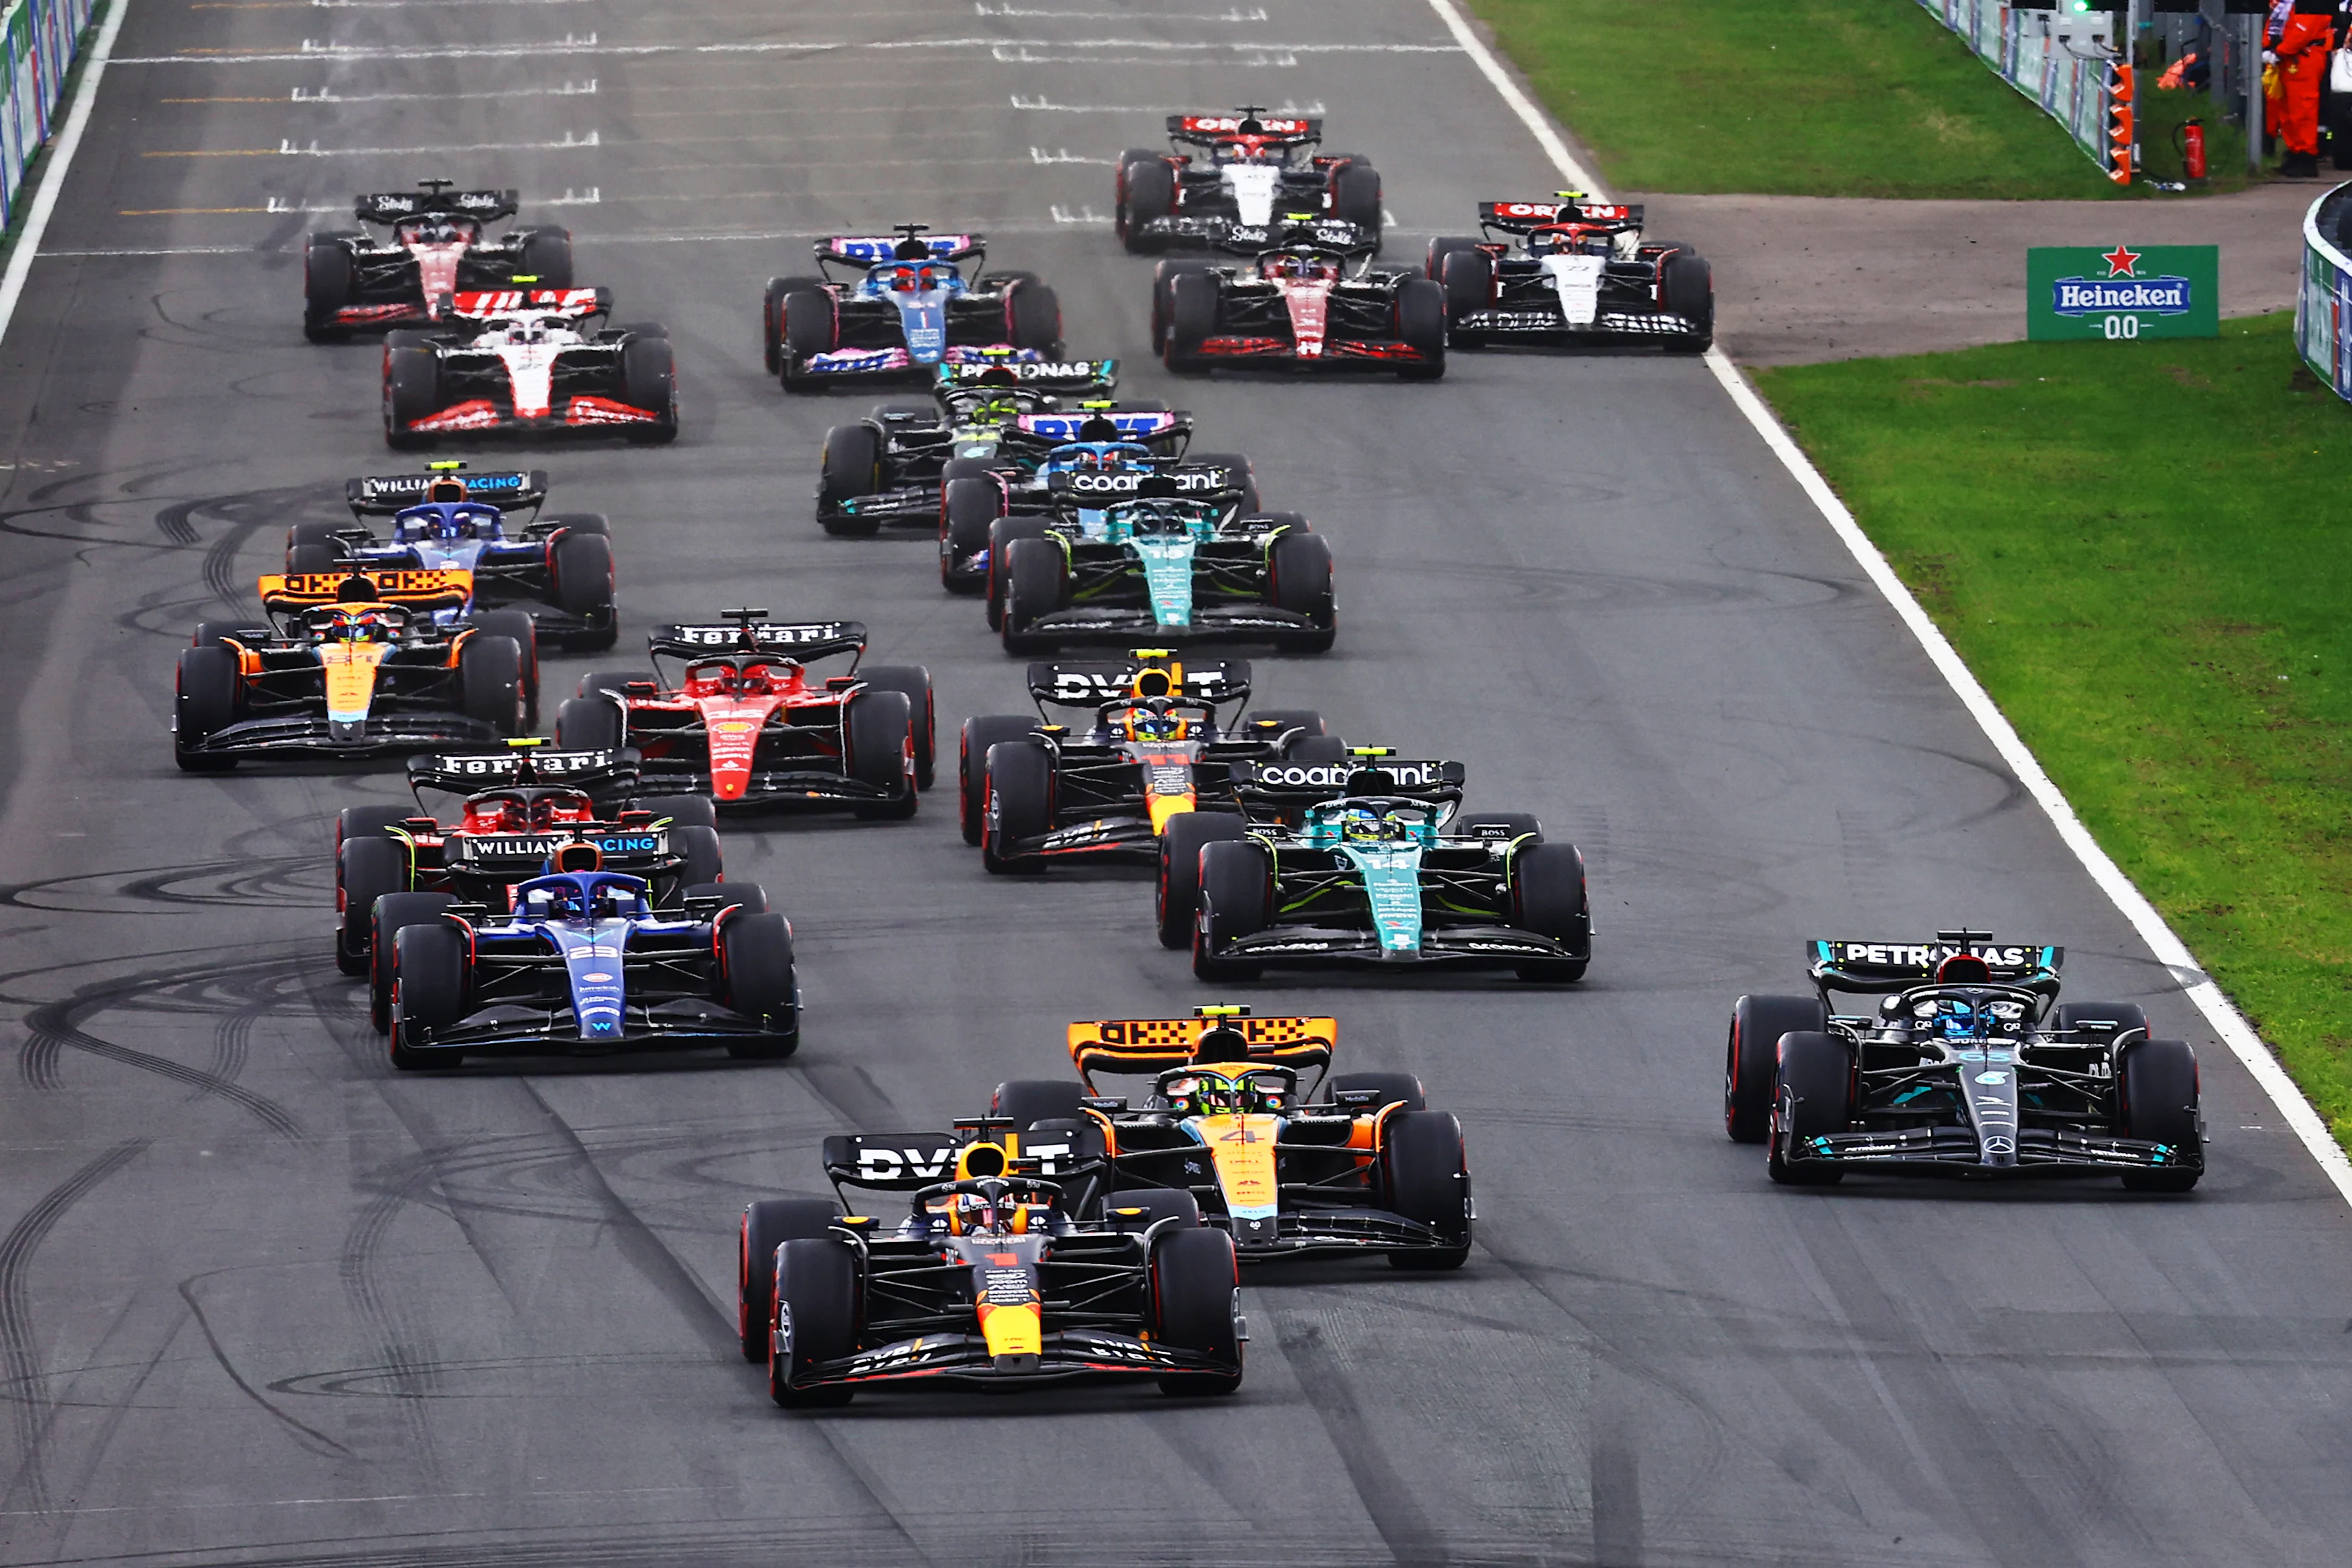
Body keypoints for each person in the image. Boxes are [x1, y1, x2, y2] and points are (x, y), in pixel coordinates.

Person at [2268, 0, 2337, 177]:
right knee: (2288, 111)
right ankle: (2295, 153)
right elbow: (2275, 23)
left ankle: (2306, 158)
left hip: (2304, 57)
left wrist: (2279, 51)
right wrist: (2269, 48)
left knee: (2303, 109)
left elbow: (2304, 30)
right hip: (2289, 57)